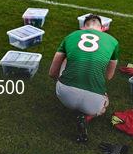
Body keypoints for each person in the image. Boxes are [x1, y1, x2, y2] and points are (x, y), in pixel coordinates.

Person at [49, 14, 120, 142]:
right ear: (103, 28)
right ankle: (87, 117)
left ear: (82, 28)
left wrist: (60, 79)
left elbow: (52, 72)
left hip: (65, 95)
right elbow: (109, 76)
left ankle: (71, 90)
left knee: (65, 57)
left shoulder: (70, 36)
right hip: (94, 103)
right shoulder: (113, 41)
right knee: (105, 103)